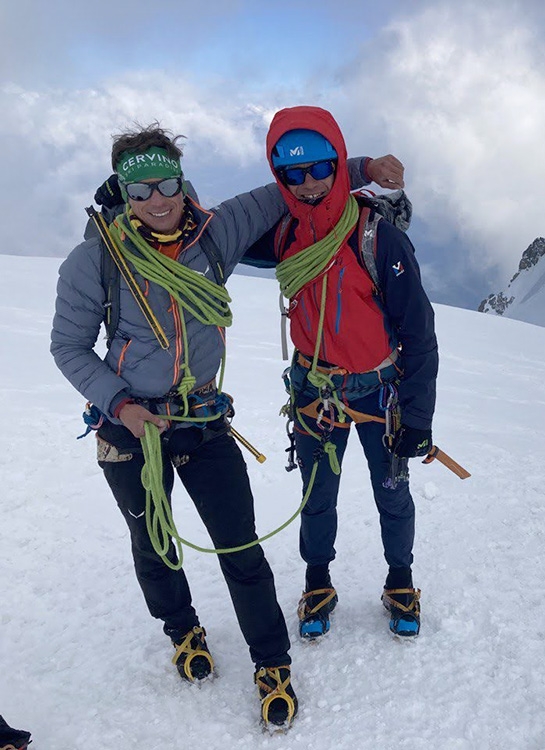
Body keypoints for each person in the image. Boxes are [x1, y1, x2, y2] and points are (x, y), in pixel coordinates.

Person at [50, 123, 398, 729]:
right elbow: (69, 347)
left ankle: (272, 661)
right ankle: (182, 629)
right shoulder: (95, 260)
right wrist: (122, 406)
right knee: (155, 542)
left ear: (184, 182)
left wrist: (365, 165)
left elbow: (288, 189)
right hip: (131, 430)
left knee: (241, 545)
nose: (156, 201)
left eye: (166, 184)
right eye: (140, 191)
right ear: (122, 193)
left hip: (204, 421)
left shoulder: (217, 233)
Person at [243, 105, 437, 640]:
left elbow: (419, 333)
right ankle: (317, 580)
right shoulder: (282, 232)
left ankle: (401, 579)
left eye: (320, 169)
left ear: (337, 162)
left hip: (379, 390)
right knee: (317, 494)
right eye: (292, 174)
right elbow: (209, 232)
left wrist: (418, 416)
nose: (307, 185)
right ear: (278, 176)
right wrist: (139, 206)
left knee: (391, 490)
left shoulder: (378, 238)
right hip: (316, 389)